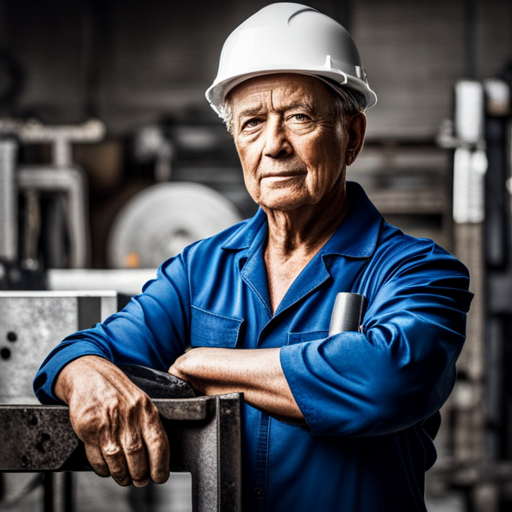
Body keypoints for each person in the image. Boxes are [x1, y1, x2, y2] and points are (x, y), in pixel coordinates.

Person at [34, 3, 473, 511]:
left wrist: (206, 365)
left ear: (351, 137)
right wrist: (86, 375)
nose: (274, 146)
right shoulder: (198, 270)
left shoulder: (417, 271)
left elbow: (386, 380)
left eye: (299, 118)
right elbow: (78, 353)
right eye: (251, 124)